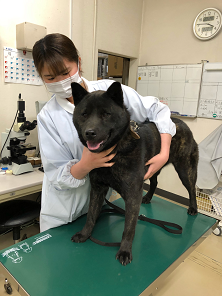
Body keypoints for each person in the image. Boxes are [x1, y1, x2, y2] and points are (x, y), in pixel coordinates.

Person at [32, 33, 176, 232]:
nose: (61, 81)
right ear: (42, 77)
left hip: (99, 207)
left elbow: (158, 109)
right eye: (50, 77)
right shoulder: (47, 117)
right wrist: (85, 165)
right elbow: (55, 174)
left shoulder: (109, 90)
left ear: (79, 63)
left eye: (66, 72)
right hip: (63, 212)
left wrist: (164, 152)